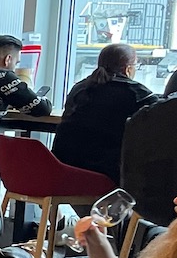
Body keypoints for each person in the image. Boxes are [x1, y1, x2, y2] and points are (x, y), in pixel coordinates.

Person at [52, 43, 157, 184]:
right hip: (105, 171)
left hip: (63, 166)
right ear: (128, 69)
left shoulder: (79, 88)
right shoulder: (137, 94)